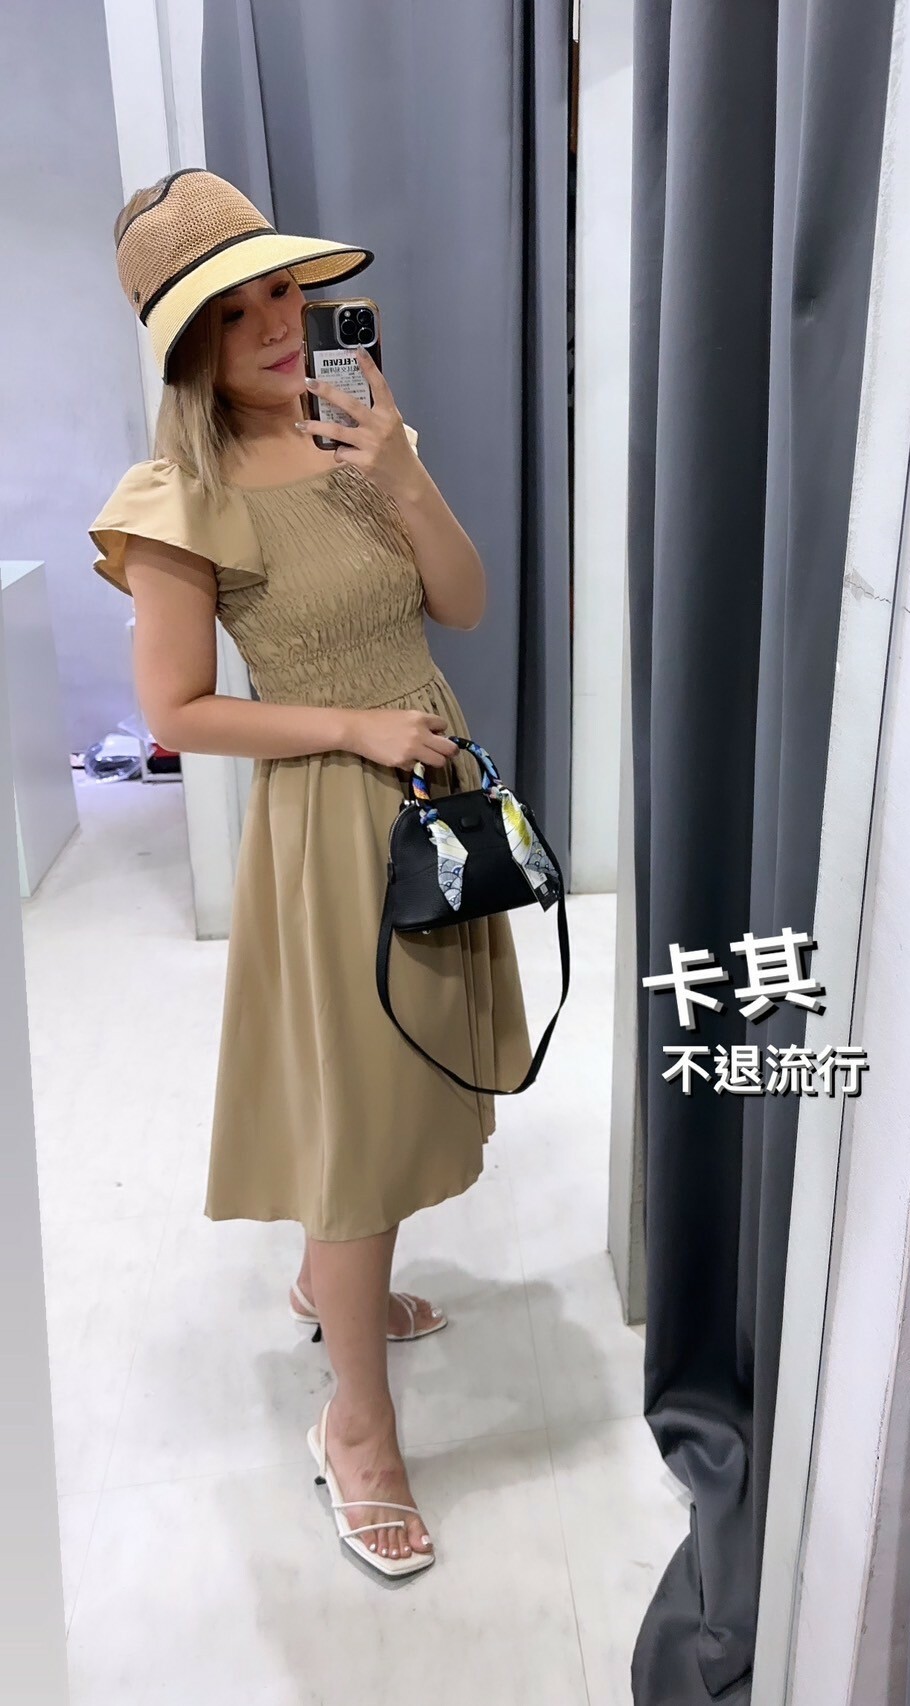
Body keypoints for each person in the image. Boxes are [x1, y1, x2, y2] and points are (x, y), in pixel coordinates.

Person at [88, 169, 532, 1579]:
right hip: (336, 819)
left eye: (283, 289)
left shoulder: (363, 433)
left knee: (400, 1077)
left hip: (430, 790)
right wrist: (351, 724)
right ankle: (356, 1424)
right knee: (362, 1099)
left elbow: (463, 603)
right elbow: (176, 711)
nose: (278, 323)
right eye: (237, 312)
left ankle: (331, 1286)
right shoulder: (183, 496)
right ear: (192, 347)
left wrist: (400, 470)